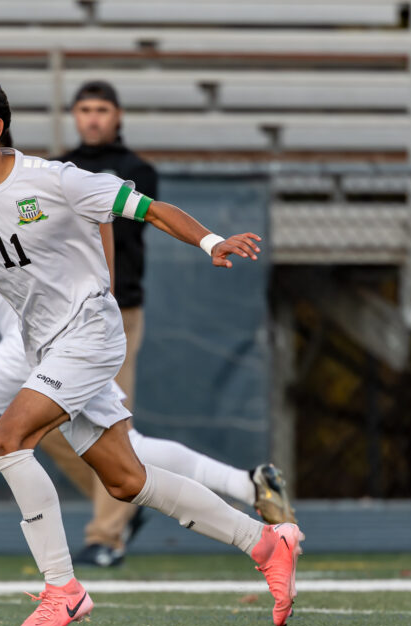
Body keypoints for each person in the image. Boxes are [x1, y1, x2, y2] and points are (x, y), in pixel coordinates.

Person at [0, 71, 304, 626]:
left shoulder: (56, 180)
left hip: (90, 330)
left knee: (6, 439)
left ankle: (62, 587)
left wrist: (212, 243)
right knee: (125, 478)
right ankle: (265, 542)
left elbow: (151, 210)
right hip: (44, 344)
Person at [0, 250, 294, 579]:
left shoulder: (20, 189)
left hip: (39, 344)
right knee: (129, 454)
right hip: (62, 344)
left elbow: (108, 212)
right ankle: (249, 484)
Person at [45, 80, 295, 568]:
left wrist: (207, 242)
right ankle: (141, 496)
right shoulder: (57, 169)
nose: (92, 118)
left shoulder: (138, 171)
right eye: (84, 109)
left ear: (117, 115)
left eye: (102, 109)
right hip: (61, 315)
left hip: (115, 309)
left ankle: (106, 536)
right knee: (52, 430)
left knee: (111, 427)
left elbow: (120, 224)